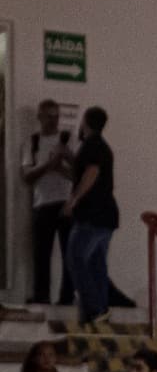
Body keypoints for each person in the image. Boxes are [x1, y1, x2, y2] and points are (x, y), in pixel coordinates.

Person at [62, 106, 118, 325]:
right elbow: (85, 172)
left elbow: (91, 173)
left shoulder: (92, 145)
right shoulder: (101, 147)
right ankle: (100, 309)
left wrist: (73, 199)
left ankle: (94, 308)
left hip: (92, 215)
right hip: (106, 215)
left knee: (76, 258)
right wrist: (67, 160)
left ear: (85, 122)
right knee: (96, 263)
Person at [23, 99, 77, 307]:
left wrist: (60, 166)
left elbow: (79, 174)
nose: (53, 121)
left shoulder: (68, 139)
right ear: (40, 117)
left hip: (66, 203)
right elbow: (27, 175)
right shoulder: (32, 142)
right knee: (41, 254)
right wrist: (48, 165)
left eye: (56, 116)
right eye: (49, 116)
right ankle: (41, 295)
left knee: (69, 254)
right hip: (42, 203)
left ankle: (67, 297)